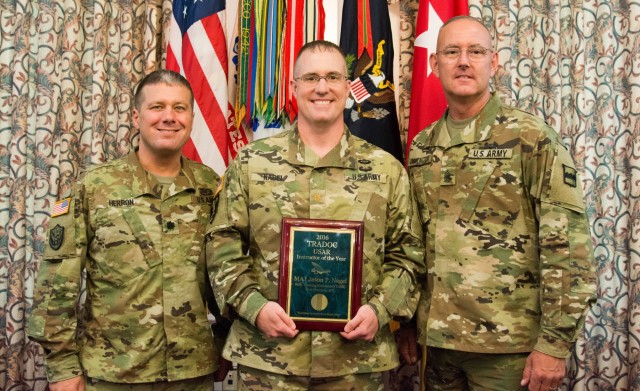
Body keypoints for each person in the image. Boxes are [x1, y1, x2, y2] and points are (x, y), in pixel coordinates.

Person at [207, 40, 425, 390]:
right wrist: (253, 306)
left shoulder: (386, 170)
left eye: (332, 77)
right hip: (269, 361)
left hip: (355, 363)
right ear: (293, 87)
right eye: (310, 77)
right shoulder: (252, 164)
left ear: (346, 87)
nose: (321, 87)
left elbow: (409, 254)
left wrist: (380, 310)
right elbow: (222, 246)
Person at [399, 16, 597, 391]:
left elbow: (567, 247)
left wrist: (554, 344)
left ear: (495, 63)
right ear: (433, 63)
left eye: (476, 51)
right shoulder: (423, 145)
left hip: (507, 348)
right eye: (452, 51)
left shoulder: (530, 138)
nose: (463, 61)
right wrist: (408, 321)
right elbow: (415, 243)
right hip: (437, 344)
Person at [28, 70, 229, 390]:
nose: (169, 117)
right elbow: (57, 281)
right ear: (136, 116)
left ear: (192, 117)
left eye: (179, 108)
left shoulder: (211, 187)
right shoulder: (93, 187)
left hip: (191, 374)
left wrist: (223, 339)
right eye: (157, 107)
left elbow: (224, 270)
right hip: (114, 373)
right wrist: (62, 366)